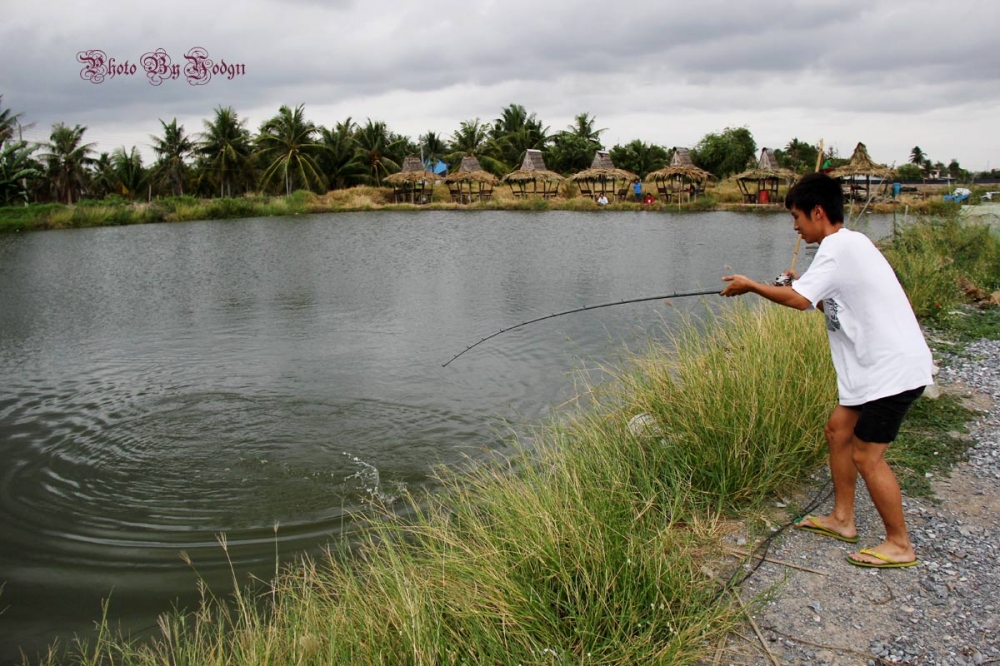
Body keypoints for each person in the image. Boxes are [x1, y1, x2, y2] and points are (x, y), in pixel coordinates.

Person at [720, 172, 933, 569]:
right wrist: (803, 284)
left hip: (891, 370)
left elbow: (800, 302)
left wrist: (752, 286)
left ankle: (900, 544)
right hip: (873, 371)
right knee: (838, 430)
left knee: (867, 455)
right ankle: (842, 518)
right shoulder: (847, 247)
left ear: (818, 212)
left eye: (797, 218)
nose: (796, 228)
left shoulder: (838, 247)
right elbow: (823, 302)